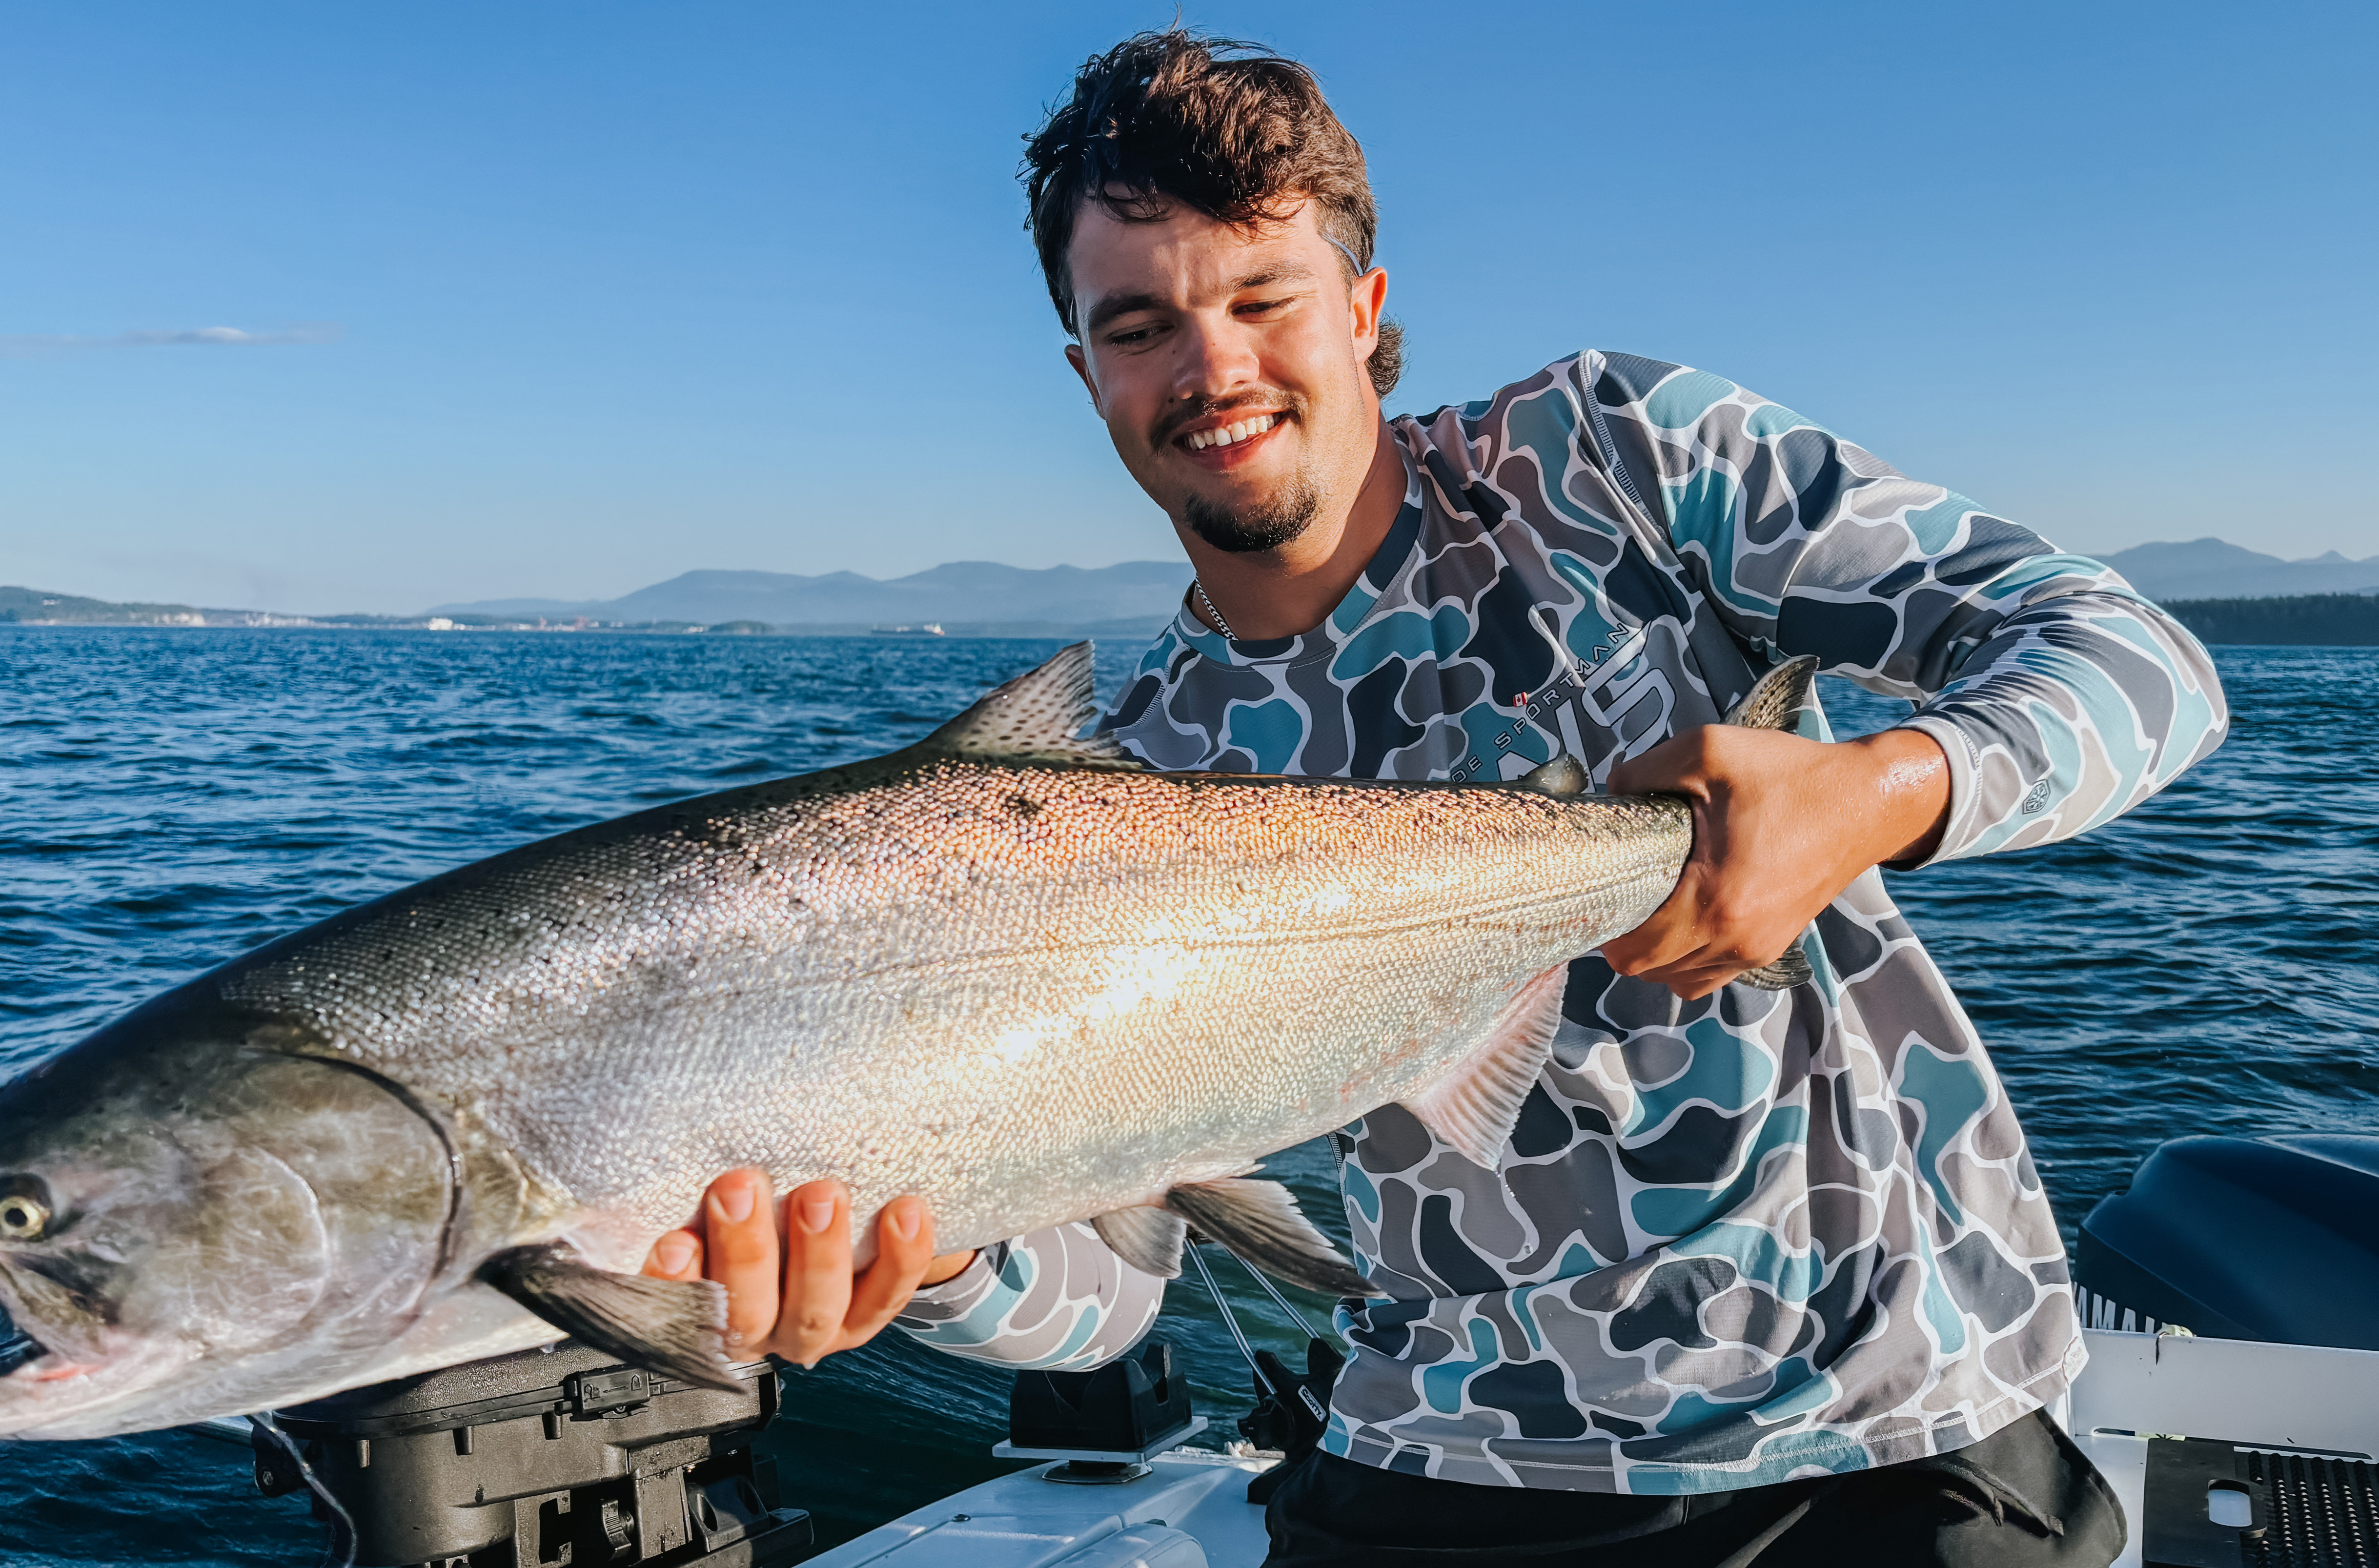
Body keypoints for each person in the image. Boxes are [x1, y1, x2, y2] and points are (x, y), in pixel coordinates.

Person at [637, 29, 2227, 1566]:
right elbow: (1113, 1294)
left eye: (1264, 296)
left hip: (1880, 1432)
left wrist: (1885, 789)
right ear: (1083, 369)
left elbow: (2138, 659)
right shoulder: (1129, 782)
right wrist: (928, 1259)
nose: (1212, 368)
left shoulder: (1611, 460)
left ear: (1366, 304)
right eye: (1139, 329)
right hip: (1436, 1455)